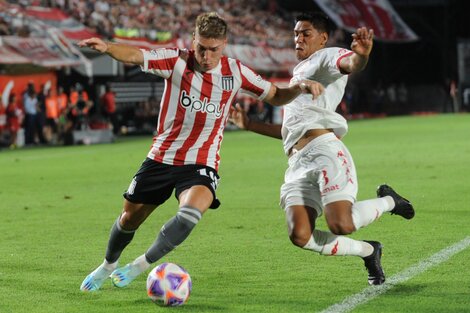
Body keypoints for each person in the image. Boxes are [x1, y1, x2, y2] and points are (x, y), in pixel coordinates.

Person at [78, 12, 322, 292]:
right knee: (128, 219)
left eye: (214, 50)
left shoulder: (236, 72)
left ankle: (138, 267)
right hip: (161, 157)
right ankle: (108, 264)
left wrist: (299, 87)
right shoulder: (176, 60)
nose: (206, 56)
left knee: (190, 214)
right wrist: (108, 47)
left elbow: (276, 96)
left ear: (225, 44)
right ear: (193, 40)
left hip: (201, 162)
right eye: (201, 48)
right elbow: (137, 55)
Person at [229, 12, 415, 285]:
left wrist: (361, 55)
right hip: (297, 163)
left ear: (322, 38)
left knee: (341, 224)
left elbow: (350, 63)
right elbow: (289, 133)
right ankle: (369, 250)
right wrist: (249, 124)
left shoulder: (327, 56)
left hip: (324, 151)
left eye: (305, 33)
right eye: (295, 33)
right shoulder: (299, 74)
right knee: (300, 235)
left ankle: (390, 201)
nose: (298, 38)